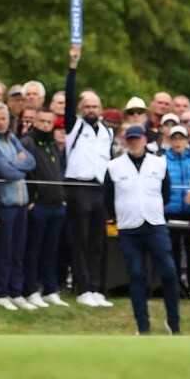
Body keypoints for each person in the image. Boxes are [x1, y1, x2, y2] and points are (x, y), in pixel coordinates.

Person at [104, 125, 180, 335]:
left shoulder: (159, 163)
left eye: (137, 139)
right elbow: (108, 198)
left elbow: (166, 193)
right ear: (126, 141)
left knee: (169, 272)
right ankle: (143, 325)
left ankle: (174, 322)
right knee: (136, 274)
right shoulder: (114, 166)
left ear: (145, 140)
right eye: (130, 139)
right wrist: (121, 215)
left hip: (155, 226)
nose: (134, 143)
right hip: (129, 228)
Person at [63, 44, 115, 308]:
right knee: (80, 239)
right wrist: (73, 68)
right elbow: (69, 96)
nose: (91, 109)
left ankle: (95, 286)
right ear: (81, 108)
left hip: (99, 189)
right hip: (78, 187)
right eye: (87, 106)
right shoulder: (74, 126)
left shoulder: (107, 132)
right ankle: (82, 287)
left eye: (95, 106)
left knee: (98, 240)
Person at [0, 101, 36, 310]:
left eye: (3, 118)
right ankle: (1, 292)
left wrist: (16, 165)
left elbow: (31, 161)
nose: (0, 122)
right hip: (5, 205)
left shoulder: (12, 138)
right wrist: (18, 166)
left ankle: (16, 291)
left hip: (21, 203)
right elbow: (7, 172)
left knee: (18, 251)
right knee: (4, 251)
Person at [22, 106, 68, 307]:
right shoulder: (28, 142)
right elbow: (25, 172)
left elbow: (60, 171)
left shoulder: (53, 144)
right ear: (34, 121)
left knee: (52, 250)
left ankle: (50, 289)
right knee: (34, 250)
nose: (46, 125)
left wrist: (63, 197)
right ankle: (31, 289)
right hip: (38, 205)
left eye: (49, 122)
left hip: (57, 205)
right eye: (42, 121)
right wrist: (31, 200)